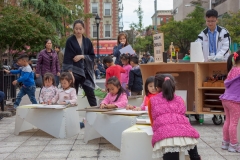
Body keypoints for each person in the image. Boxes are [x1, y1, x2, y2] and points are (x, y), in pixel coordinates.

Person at [148, 74, 201, 160]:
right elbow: (183, 115)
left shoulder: (152, 101)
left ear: (157, 87)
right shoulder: (180, 99)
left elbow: (152, 121)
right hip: (186, 133)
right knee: (194, 154)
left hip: (166, 135)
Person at [63, 19, 97, 107]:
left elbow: (92, 56)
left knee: (90, 93)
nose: (78, 30)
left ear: (83, 29)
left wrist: (82, 56)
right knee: (72, 95)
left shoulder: (87, 41)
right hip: (74, 72)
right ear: (74, 29)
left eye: (80, 28)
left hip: (86, 72)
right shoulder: (70, 41)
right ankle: (70, 116)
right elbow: (67, 57)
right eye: (76, 28)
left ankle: (95, 113)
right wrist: (70, 73)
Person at [219, 51, 240, 152]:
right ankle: (233, 145)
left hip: (226, 99)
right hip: (234, 100)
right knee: (234, 123)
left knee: (228, 121)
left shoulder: (232, 70)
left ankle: (225, 142)